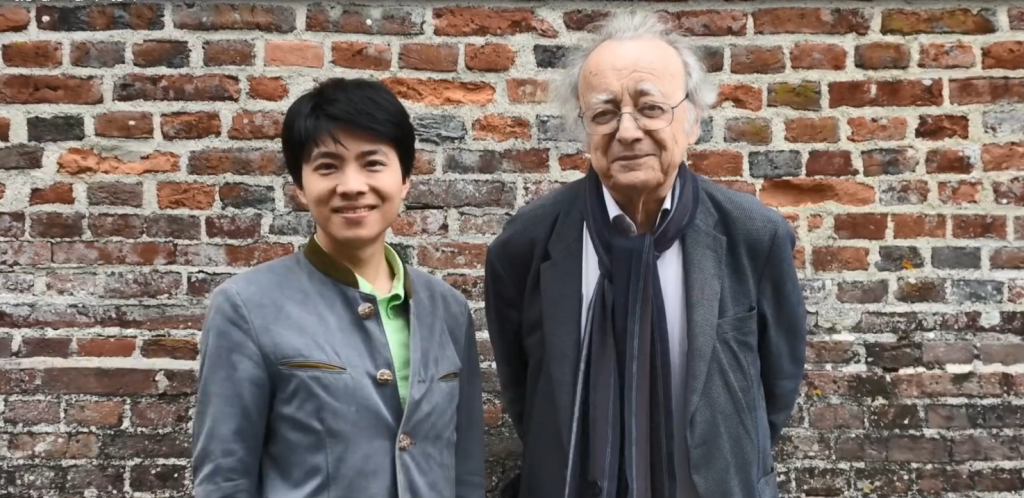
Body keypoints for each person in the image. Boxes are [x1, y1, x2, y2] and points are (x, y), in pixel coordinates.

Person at [484, 11, 807, 498]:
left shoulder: (754, 236)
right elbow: (524, 391)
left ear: (692, 119)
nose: (628, 131)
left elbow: (776, 385)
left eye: (650, 108)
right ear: (584, 129)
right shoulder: (527, 243)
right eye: (604, 113)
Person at [192, 77, 486, 498]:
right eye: (328, 166)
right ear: (300, 186)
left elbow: (466, 472)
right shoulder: (246, 307)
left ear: (405, 178)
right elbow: (225, 481)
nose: (351, 186)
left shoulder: (448, 309)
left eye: (372, 163)